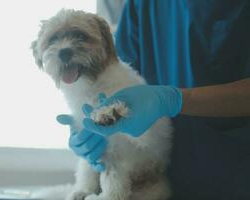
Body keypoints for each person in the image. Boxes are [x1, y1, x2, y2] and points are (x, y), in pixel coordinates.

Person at [57, 0, 250, 199]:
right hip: (162, 180)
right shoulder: (142, 5)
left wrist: (173, 99)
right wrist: (87, 132)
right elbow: (115, 70)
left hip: (238, 175)